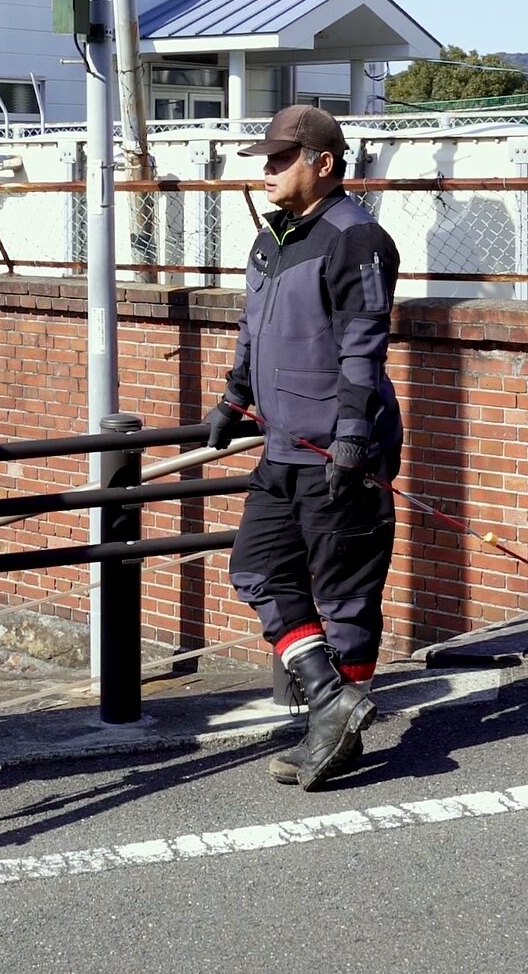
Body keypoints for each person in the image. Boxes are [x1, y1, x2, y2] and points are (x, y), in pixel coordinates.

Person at [205, 105, 402, 791]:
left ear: (323, 163)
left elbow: (363, 346)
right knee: (257, 568)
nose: (267, 170)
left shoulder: (358, 239)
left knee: (345, 597)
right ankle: (330, 701)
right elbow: (251, 327)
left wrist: (353, 436)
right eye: (266, 159)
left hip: (340, 450)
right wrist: (233, 399)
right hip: (285, 446)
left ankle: (333, 735)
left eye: (280, 158)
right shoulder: (273, 239)